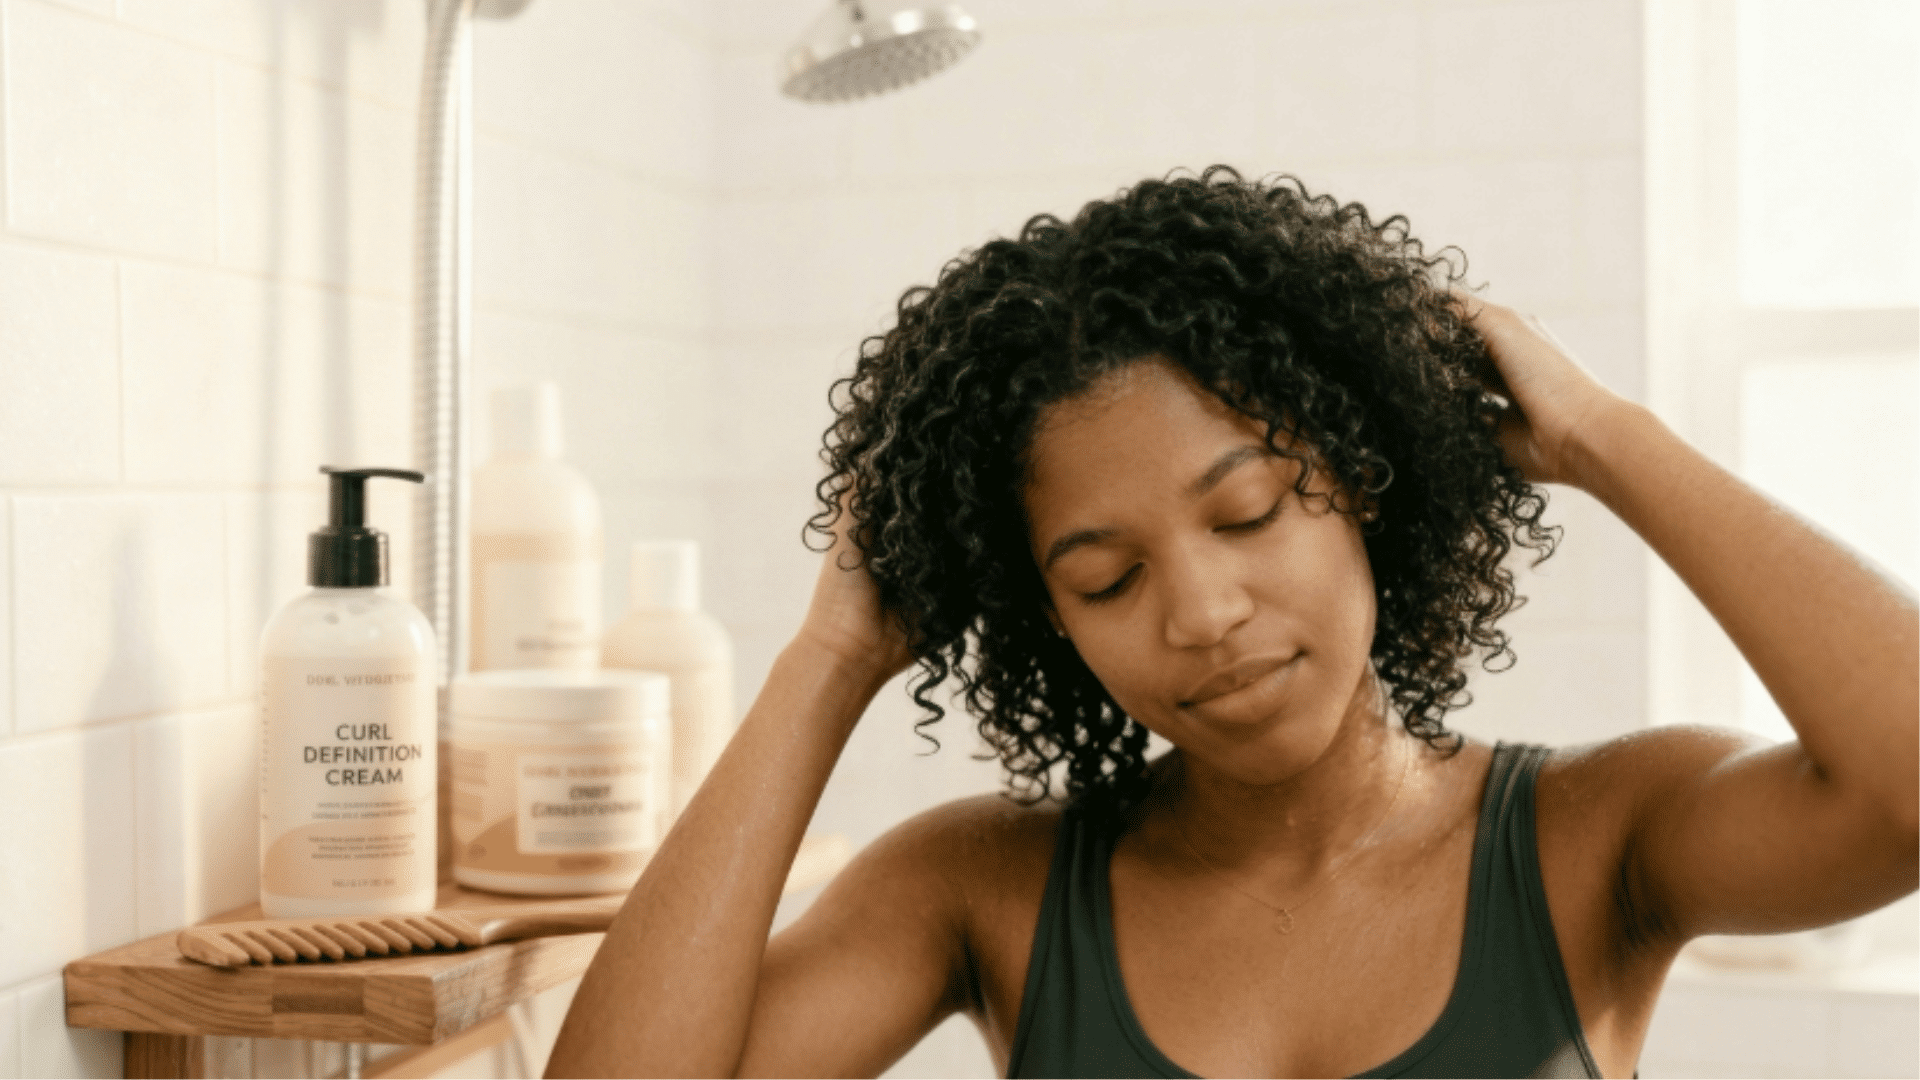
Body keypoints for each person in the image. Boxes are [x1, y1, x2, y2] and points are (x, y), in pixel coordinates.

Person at [546, 167, 1918, 1079]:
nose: (1202, 613)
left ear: (1363, 478)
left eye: (1250, 511)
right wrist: (832, 660)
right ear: (1046, 619)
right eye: (1105, 579)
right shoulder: (981, 889)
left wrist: (1603, 437)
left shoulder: (1595, 838)